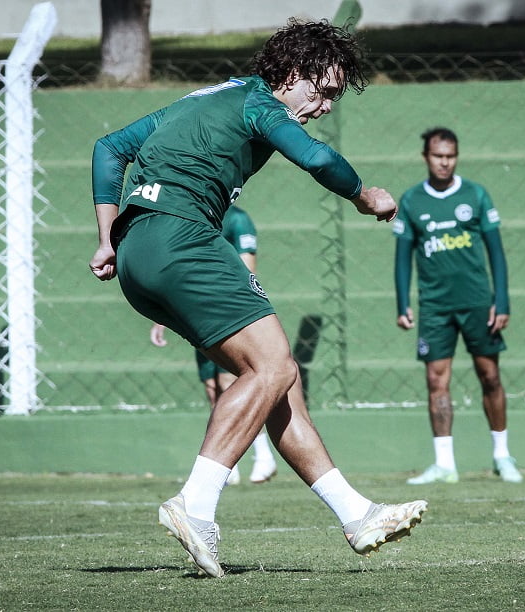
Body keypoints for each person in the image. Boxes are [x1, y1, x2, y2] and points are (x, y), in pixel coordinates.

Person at [88, 19, 426, 578]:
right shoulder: (260, 104)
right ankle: (196, 504)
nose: (324, 107)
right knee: (273, 367)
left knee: (276, 378)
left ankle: (357, 514)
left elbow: (110, 148)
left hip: (135, 254)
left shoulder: (205, 97)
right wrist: (365, 196)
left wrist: (106, 238)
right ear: (291, 73)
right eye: (323, 91)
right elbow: (318, 160)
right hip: (182, 236)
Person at [393, 127, 523, 485]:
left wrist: (501, 300)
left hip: (478, 302)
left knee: (490, 375)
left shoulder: (475, 195)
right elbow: (402, 256)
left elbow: (496, 252)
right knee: (436, 380)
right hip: (435, 306)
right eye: (438, 156)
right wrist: (403, 302)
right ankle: (444, 463)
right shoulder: (412, 200)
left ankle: (502, 456)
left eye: (450, 156)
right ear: (426, 157)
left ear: (457, 157)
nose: (444, 162)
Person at [148, 204, 277, 485]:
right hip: (198, 313)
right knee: (212, 386)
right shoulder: (192, 215)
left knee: (232, 382)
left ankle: (263, 455)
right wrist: (164, 317)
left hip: (227, 312)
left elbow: (248, 269)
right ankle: (230, 464)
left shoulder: (238, 219)